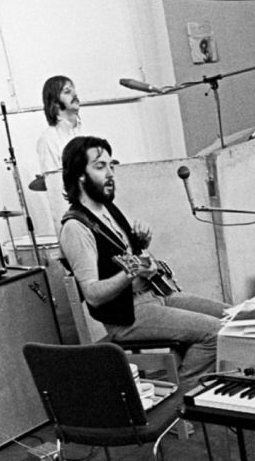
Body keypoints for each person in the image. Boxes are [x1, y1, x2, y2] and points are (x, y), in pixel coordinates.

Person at [58, 136, 227, 389]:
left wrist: (142, 245)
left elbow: (125, 259)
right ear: (80, 175)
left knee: (231, 315)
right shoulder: (75, 227)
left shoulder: (107, 209)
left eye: (111, 165)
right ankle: (185, 402)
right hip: (128, 316)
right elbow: (92, 294)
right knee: (215, 333)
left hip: (155, 294)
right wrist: (131, 271)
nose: (110, 173)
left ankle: (193, 387)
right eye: (100, 166)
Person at [37, 75, 82, 173]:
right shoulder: (48, 139)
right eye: (67, 92)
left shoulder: (84, 131)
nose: (74, 94)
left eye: (73, 90)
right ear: (55, 102)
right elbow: (54, 182)